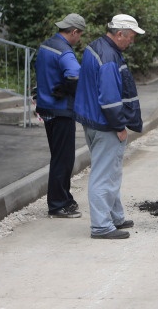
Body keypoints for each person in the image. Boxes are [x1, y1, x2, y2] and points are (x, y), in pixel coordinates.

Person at [74, 14, 145, 240]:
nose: (132, 41)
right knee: (104, 175)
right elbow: (110, 99)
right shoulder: (108, 56)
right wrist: (119, 125)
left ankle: (115, 216)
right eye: (131, 37)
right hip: (106, 124)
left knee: (111, 171)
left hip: (93, 120)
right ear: (119, 34)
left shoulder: (96, 47)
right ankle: (101, 226)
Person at [34, 13, 86, 218]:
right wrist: (67, 88)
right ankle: (57, 204)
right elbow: (75, 75)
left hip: (46, 106)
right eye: (79, 35)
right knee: (63, 159)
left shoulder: (46, 45)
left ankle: (64, 198)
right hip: (61, 109)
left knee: (58, 155)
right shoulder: (65, 51)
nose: (79, 39)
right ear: (73, 32)